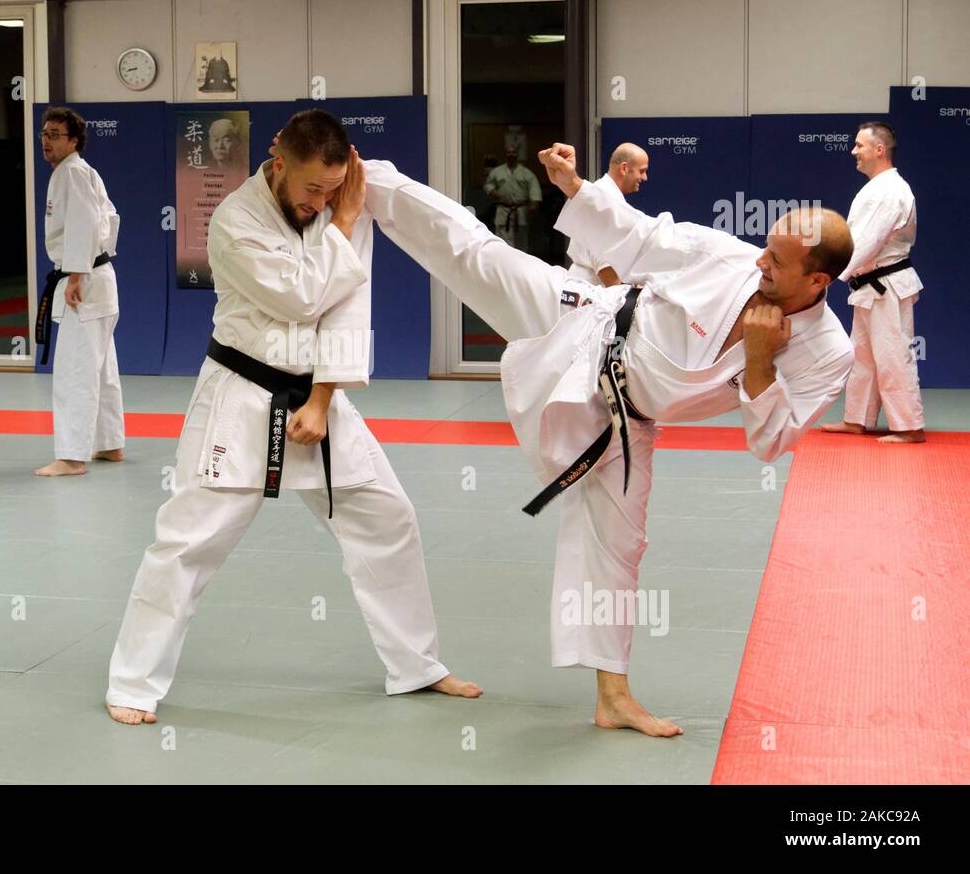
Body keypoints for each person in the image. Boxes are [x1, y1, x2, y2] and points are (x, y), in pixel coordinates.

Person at [360, 142, 854, 737]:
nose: (759, 263)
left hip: (627, 421)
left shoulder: (828, 353)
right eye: (766, 248)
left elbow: (770, 443)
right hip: (587, 319)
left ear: (818, 279)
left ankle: (612, 696)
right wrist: (573, 185)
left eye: (776, 261)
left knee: (618, 552)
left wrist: (758, 362)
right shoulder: (728, 257)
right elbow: (641, 236)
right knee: (479, 253)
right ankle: (363, 176)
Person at [105, 110, 481, 725]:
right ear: (279, 161)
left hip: (318, 398)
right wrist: (349, 220)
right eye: (312, 189)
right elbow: (302, 298)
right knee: (187, 543)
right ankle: (133, 683)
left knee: (388, 518)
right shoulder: (234, 221)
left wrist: (324, 400)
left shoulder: (339, 202)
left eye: (333, 190)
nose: (323, 201)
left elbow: (345, 309)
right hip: (241, 396)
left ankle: (416, 664)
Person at [34, 107, 125, 476]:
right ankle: (109, 443)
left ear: (73, 141)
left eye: (56, 134)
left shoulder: (72, 172)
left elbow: (85, 224)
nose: (47, 140)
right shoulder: (80, 172)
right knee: (102, 368)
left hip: (84, 282)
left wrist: (75, 274)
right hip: (97, 277)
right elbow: (112, 218)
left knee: (75, 369)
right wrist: (93, 262)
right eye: (44, 133)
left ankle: (71, 456)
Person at [821, 121, 924, 443]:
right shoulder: (878, 187)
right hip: (871, 285)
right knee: (864, 356)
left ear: (879, 150)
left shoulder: (890, 190)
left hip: (887, 285)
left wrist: (829, 276)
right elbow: (860, 241)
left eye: (859, 145)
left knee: (893, 355)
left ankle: (909, 427)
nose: (853, 151)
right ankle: (857, 419)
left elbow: (867, 242)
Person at [568, 142, 650, 287]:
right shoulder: (604, 200)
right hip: (594, 295)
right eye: (642, 171)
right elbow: (606, 267)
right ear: (624, 168)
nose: (644, 177)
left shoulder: (606, 196)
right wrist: (620, 295)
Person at [484, 145, 542, 252]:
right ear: (505, 154)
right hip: (503, 211)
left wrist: (534, 204)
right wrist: (492, 191)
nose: (511, 155)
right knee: (503, 243)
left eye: (513, 152)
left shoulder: (526, 173)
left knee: (521, 244)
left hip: (520, 211)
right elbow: (488, 184)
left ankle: (521, 266)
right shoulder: (497, 172)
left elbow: (534, 189)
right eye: (509, 152)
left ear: (517, 155)